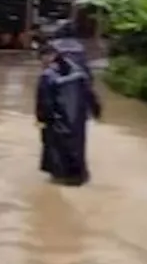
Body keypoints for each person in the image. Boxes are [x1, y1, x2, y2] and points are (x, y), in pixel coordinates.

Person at [36, 43, 101, 186]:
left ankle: (59, 182)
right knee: (77, 152)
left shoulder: (47, 76)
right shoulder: (79, 72)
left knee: (56, 155)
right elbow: (91, 94)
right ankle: (78, 178)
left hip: (56, 122)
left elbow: (44, 103)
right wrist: (96, 111)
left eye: (42, 59)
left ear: (47, 57)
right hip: (77, 121)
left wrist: (41, 120)